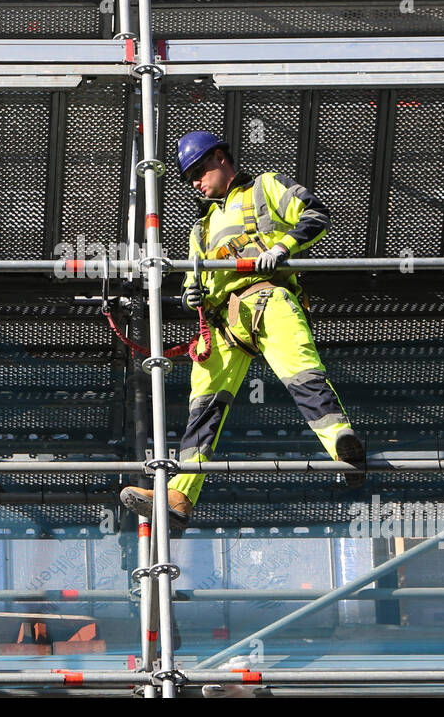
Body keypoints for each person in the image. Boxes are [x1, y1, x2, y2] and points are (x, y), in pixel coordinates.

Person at [120, 130, 366, 529]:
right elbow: (188, 286)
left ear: (220, 158)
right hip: (222, 321)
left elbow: (315, 214)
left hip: (270, 298)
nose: (196, 183)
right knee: (203, 407)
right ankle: (180, 495)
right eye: (190, 178)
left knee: (302, 374)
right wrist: (192, 297)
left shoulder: (266, 187)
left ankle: (343, 447)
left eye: (199, 171)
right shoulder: (200, 229)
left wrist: (282, 248)